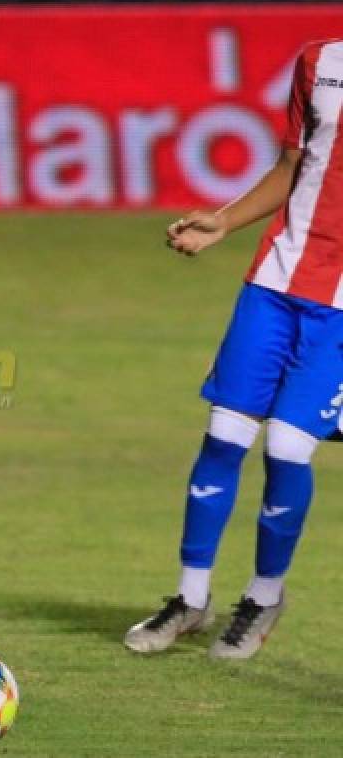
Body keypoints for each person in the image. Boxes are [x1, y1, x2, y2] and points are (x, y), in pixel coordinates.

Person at [125, 39, 343, 659]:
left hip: (341, 308)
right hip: (275, 283)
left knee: (286, 447)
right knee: (223, 437)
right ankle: (190, 600)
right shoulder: (319, 61)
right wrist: (222, 221)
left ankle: (263, 596)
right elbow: (291, 165)